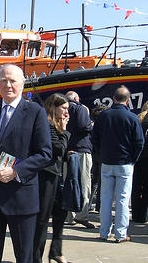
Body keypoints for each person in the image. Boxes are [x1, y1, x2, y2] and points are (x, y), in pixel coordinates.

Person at [0, 64, 52, 263]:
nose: (8, 85)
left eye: (13, 81)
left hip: (21, 196)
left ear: (22, 84)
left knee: (24, 256)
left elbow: (45, 153)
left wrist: (16, 171)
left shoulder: (35, 112)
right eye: (3, 80)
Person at [92, 86, 144, 243]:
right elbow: (139, 142)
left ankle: (104, 232)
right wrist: (133, 159)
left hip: (107, 161)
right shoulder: (133, 118)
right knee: (122, 199)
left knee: (105, 198)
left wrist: (101, 155)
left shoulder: (103, 116)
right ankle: (120, 234)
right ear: (128, 100)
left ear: (113, 98)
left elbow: (95, 139)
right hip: (125, 162)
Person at [33, 93, 71, 263]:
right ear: (53, 107)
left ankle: (55, 250)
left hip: (57, 174)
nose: (66, 113)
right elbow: (57, 148)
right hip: (46, 175)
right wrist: (63, 132)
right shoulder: (48, 125)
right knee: (42, 218)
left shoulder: (56, 127)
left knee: (60, 213)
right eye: (63, 108)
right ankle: (36, 257)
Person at [65, 91, 95, 229]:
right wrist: (91, 124)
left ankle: (68, 215)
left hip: (67, 151)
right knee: (84, 183)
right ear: (77, 98)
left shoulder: (61, 109)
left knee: (68, 183)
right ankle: (82, 215)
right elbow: (85, 126)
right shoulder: (80, 108)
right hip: (82, 149)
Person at [131, 101, 148, 223]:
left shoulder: (138, 119)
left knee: (136, 186)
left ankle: (137, 215)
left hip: (138, 157)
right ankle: (145, 215)